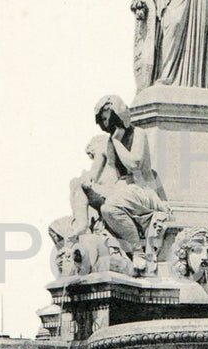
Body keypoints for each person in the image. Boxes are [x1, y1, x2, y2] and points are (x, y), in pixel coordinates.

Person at [69, 95, 170, 270]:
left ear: (119, 115)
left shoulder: (138, 134)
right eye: (103, 120)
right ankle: (82, 226)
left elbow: (134, 164)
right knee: (80, 185)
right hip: (122, 189)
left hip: (142, 189)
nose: (107, 124)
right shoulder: (109, 141)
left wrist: (116, 141)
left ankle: (137, 251)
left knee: (109, 208)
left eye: (108, 118)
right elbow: (101, 173)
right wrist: (89, 182)